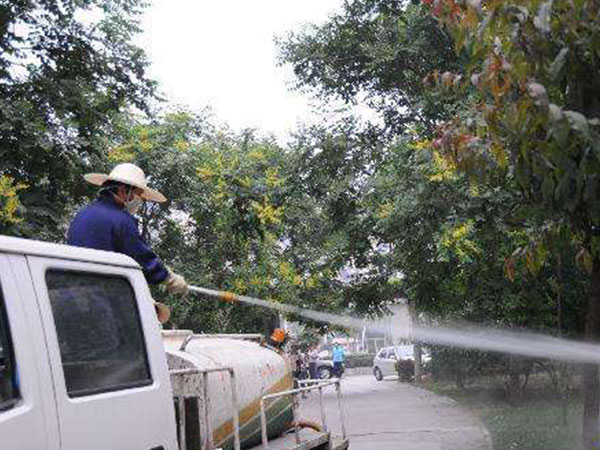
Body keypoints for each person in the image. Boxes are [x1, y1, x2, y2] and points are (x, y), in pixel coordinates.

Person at [67, 163, 188, 295]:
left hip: (74, 290)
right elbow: (141, 258)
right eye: (138, 195)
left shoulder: (82, 214)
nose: (139, 201)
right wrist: (169, 278)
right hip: (102, 292)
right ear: (123, 190)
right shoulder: (122, 220)